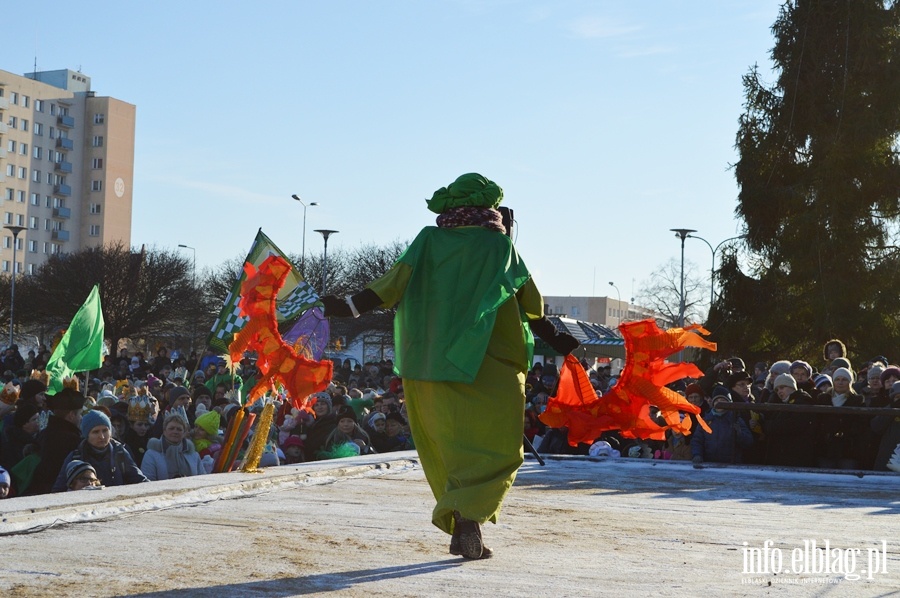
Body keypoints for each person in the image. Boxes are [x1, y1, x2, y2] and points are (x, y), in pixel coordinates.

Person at [322, 173, 578, 559]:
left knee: (445, 448)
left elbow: (388, 287)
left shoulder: (427, 241)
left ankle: (462, 519)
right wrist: (560, 341)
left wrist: (344, 307)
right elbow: (529, 302)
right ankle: (470, 517)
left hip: (430, 366)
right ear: (491, 209)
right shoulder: (497, 245)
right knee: (502, 450)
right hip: (490, 366)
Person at [52, 409, 148, 492]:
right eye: (95, 432)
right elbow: (58, 490)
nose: (101, 436)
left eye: (105, 430)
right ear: (87, 435)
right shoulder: (75, 457)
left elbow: (140, 481)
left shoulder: (120, 452)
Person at [28, 386, 85, 495]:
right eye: (80, 414)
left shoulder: (45, 433)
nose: (81, 418)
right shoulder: (71, 440)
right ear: (71, 415)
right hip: (56, 493)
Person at [691, 388, 753, 465]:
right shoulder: (705, 421)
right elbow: (697, 440)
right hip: (709, 464)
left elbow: (748, 441)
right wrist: (697, 455)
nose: (719, 403)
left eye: (723, 400)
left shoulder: (736, 420)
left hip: (731, 465)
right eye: (717, 400)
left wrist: (739, 433)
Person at [141, 411, 203, 481]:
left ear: (184, 432)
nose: (175, 432)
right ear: (164, 431)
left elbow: (202, 479)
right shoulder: (151, 454)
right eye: (171, 428)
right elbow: (148, 481)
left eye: (179, 429)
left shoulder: (193, 455)